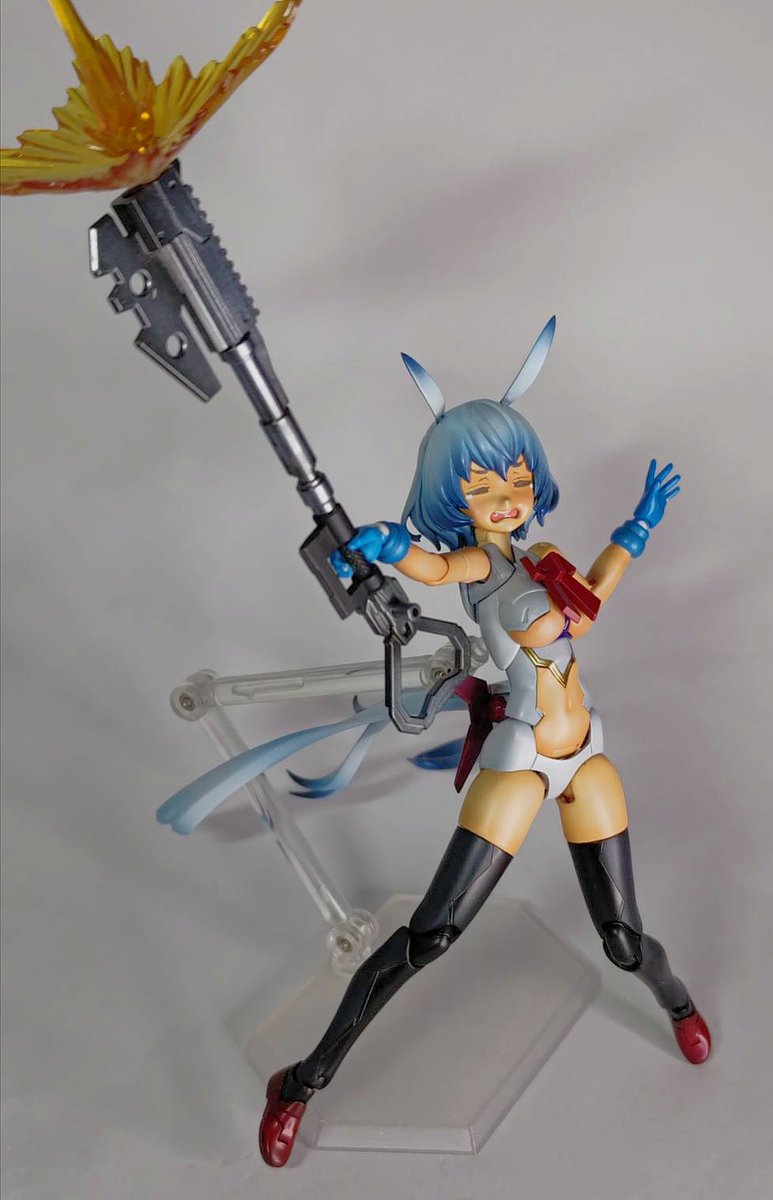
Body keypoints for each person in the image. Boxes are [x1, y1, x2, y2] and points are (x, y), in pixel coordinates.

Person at [258, 318, 711, 1167]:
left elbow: (591, 597)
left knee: (622, 940)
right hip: (523, 757)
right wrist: (392, 546)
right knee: (431, 936)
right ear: (450, 500)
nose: (504, 497)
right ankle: (301, 1081)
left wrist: (638, 525)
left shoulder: (542, 555)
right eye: (480, 487)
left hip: (586, 753)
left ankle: (677, 1002)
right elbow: (435, 570)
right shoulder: (480, 569)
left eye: (515, 477)